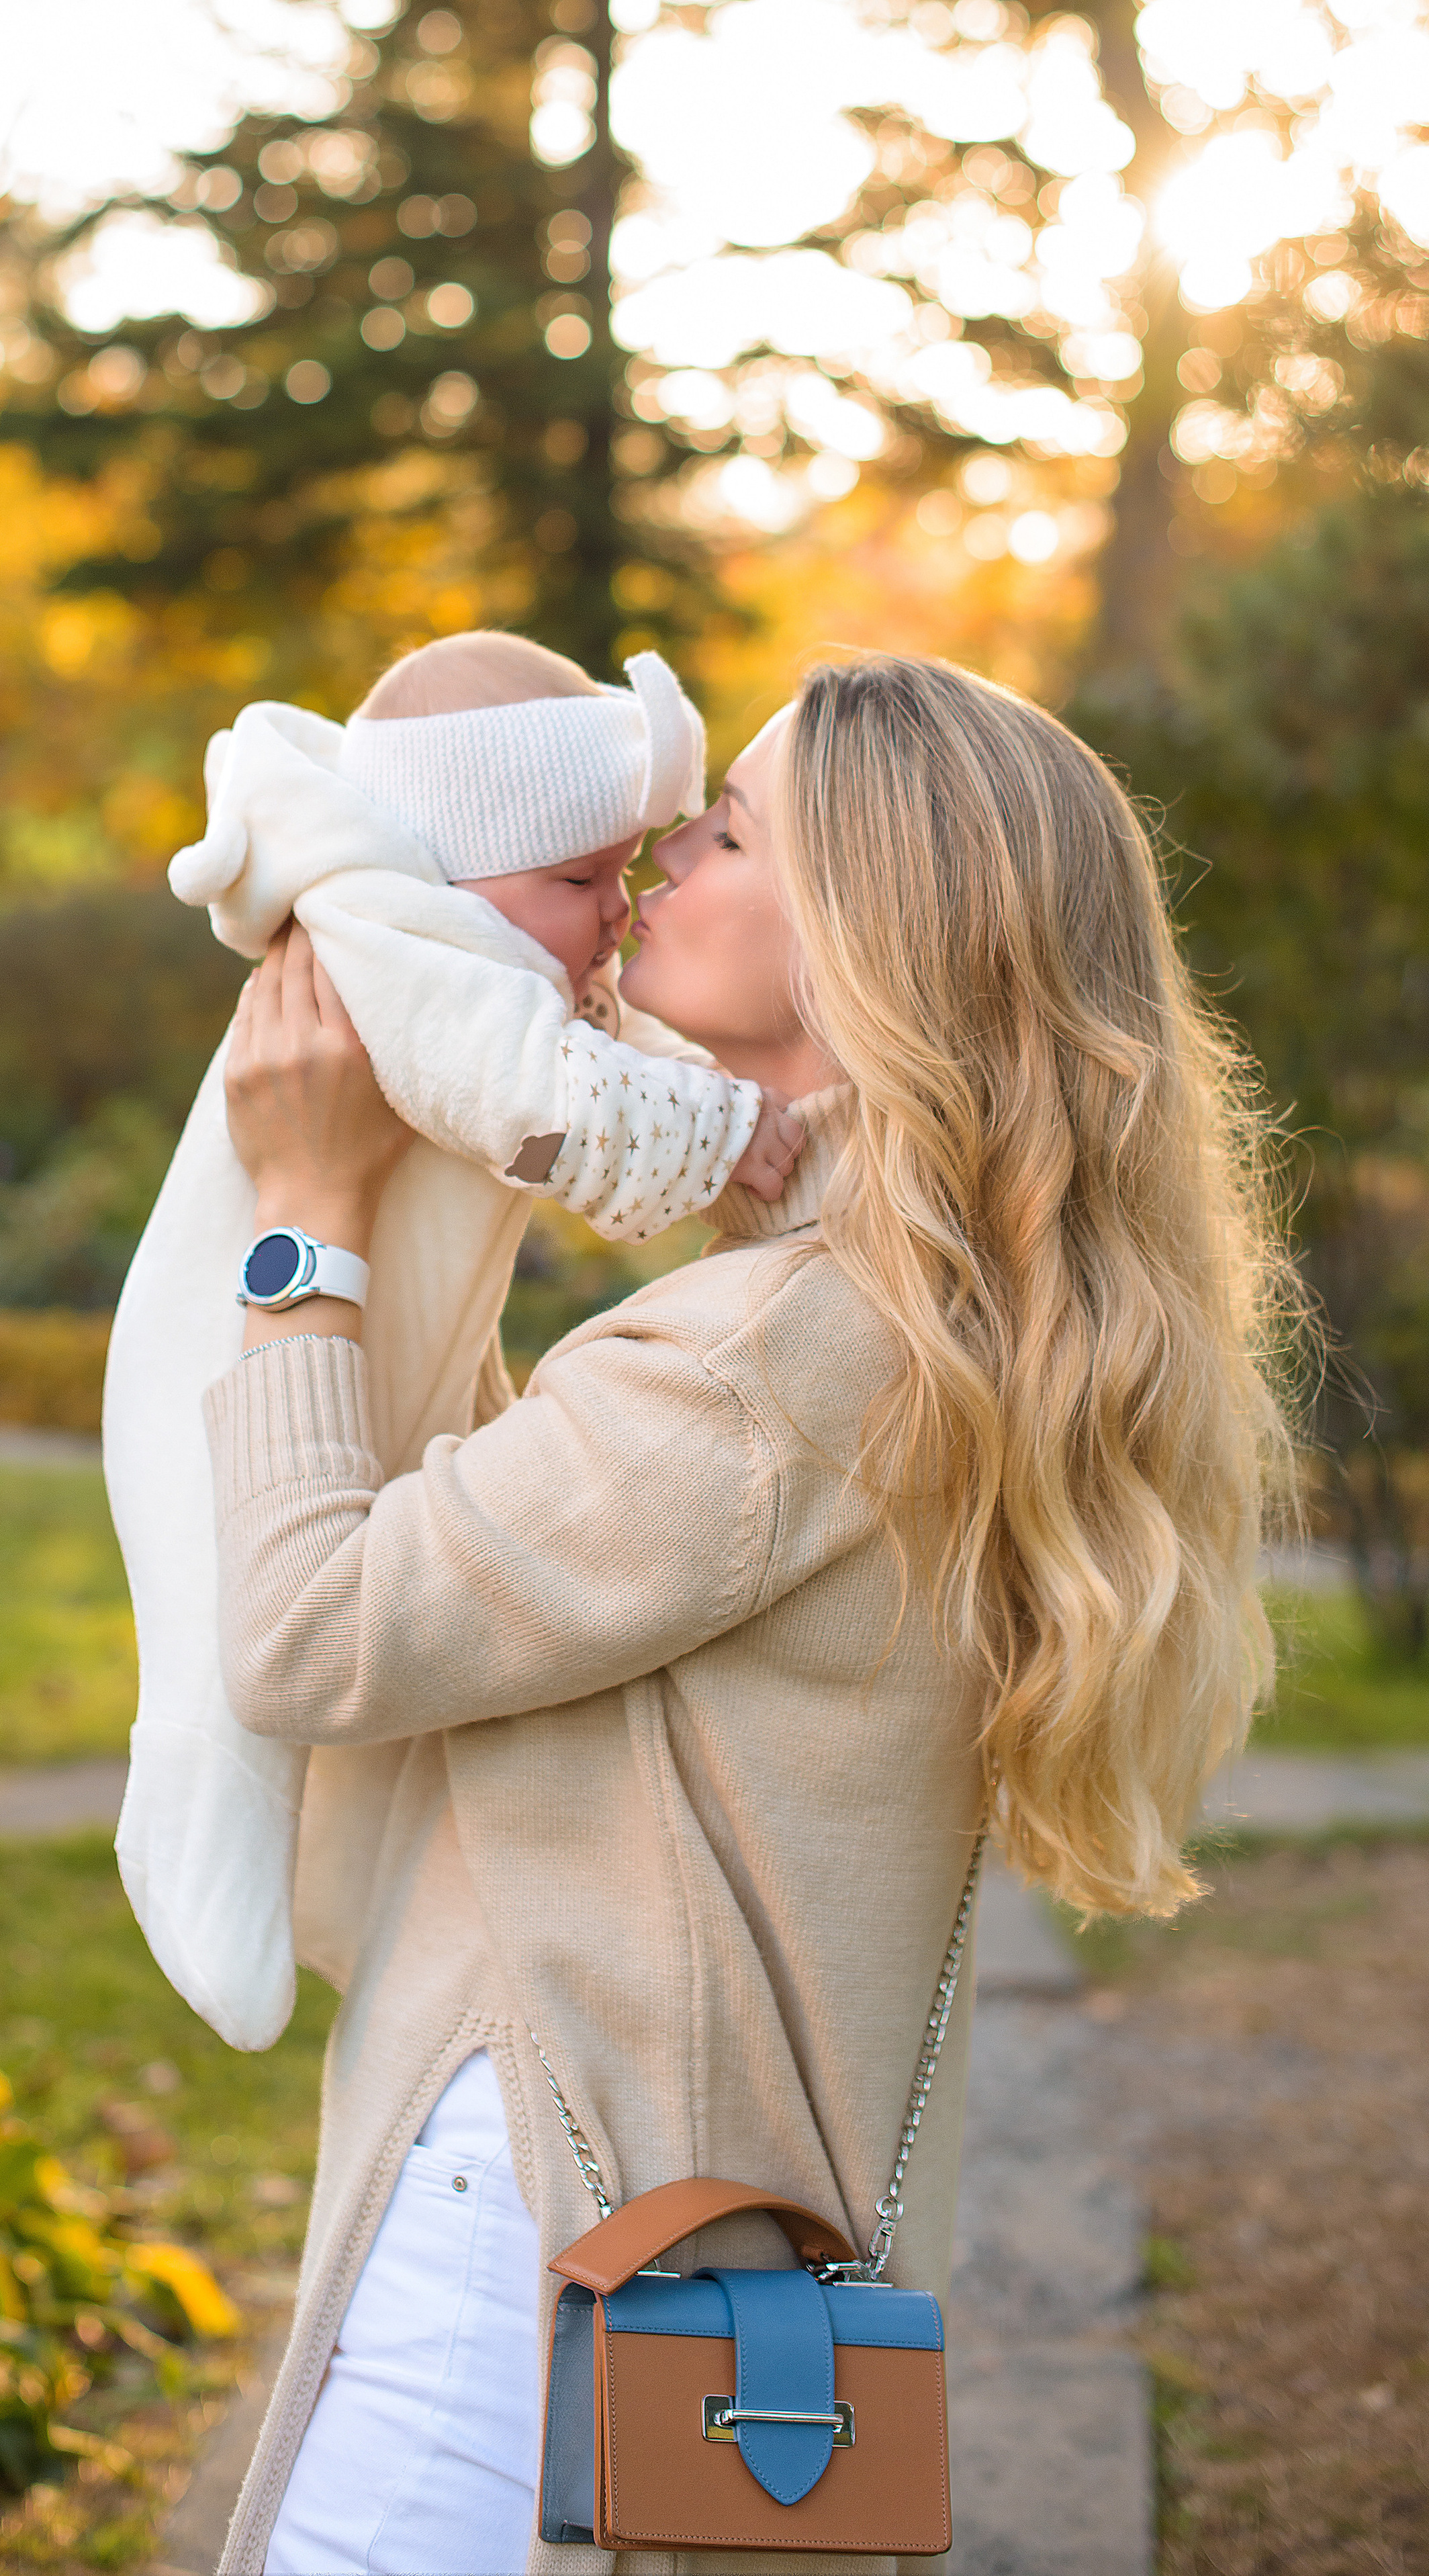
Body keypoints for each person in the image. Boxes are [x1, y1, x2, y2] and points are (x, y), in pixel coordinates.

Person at [203, 654, 1296, 2576]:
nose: (647, 867)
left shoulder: (775, 1354)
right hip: (681, 2248)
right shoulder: (905, 1323)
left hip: (535, 2235)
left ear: (873, 935)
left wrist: (308, 1226)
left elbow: (314, 1631)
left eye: (722, 832)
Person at [107, 632, 800, 2059]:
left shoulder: (481, 939)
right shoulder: (389, 940)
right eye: (580, 881)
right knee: (216, 1638)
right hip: (220, 1363)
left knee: (361, 1665)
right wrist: (726, 1128)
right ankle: (190, 1818)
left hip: (362, 1353)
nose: (622, 911)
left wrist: (702, 1100)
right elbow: (535, 1106)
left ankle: (336, 1903)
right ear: (457, 861)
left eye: (635, 866)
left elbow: (591, 1062)